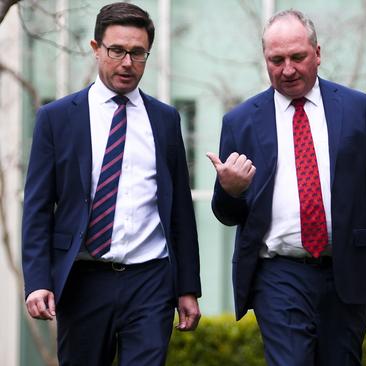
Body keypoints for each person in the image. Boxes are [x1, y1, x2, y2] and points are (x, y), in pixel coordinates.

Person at [207, 9, 366, 366]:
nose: (287, 69)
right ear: (265, 60)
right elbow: (227, 214)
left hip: (345, 269)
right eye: (276, 60)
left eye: (297, 57)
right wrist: (231, 190)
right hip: (278, 273)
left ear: (318, 53)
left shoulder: (355, 108)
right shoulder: (240, 122)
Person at [21, 3, 201, 365]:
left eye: (138, 53)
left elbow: (180, 207)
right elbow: (38, 207)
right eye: (116, 50)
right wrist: (38, 279)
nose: (127, 63)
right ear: (95, 48)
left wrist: (187, 287)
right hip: (84, 278)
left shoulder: (165, 120)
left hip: (150, 279)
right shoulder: (56, 118)